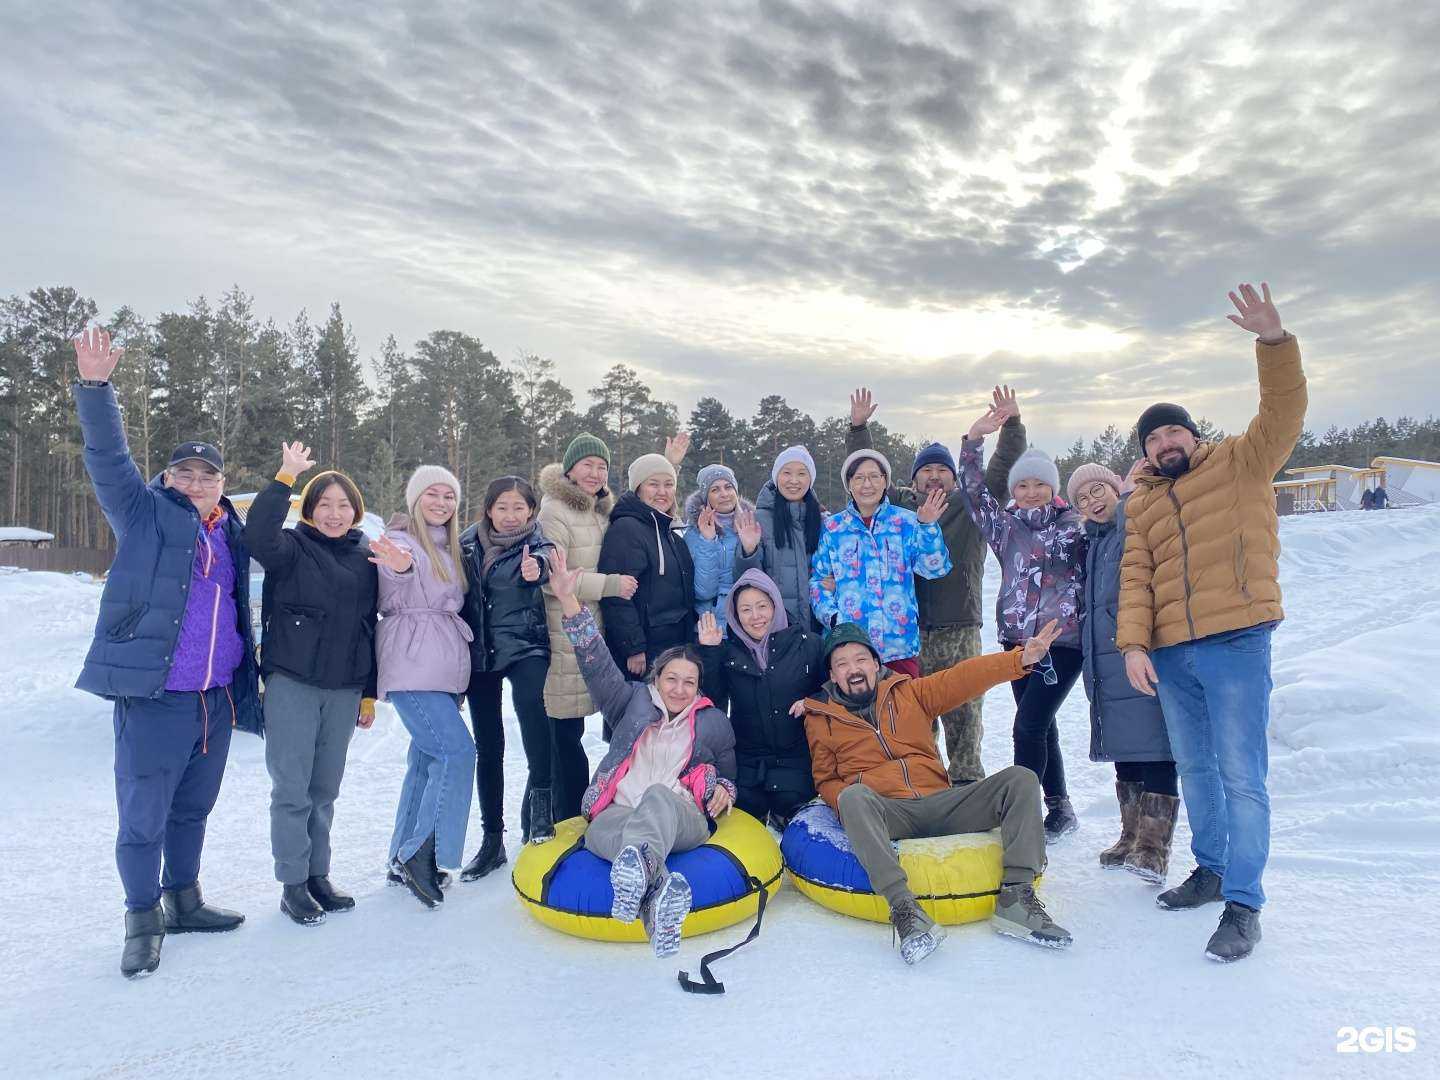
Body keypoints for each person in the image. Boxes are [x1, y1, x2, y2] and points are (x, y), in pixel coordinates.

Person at [1118, 282, 1307, 963]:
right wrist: (1134, 644)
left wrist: (1273, 343)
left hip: (1236, 642)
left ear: (1193, 434)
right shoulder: (1142, 504)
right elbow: (1135, 578)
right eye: (1152, 436)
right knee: (1197, 769)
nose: (1164, 441)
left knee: (1241, 774)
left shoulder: (1240, 462)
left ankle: (1245, 903)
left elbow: (1283, 411)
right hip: (1173, 655)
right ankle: (1212, 869)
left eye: (1173, 429)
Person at [70, 327, 260, 979]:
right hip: (155, 699)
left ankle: (184, 900)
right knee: (142, 817)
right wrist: (95, 387)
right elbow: (107, 458)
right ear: (168, 478)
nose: (197, 481)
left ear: (222, 483)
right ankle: (142, 919)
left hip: (215, 701)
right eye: (185, 472)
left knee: (192, 810)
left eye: (208, 474)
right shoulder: (143, 513)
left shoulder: (229, 531)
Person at [802, 620, 1068, 965]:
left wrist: (1019, 660)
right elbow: (826, 780)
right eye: (842, 664)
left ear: (876, 664)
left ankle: (1016, 897)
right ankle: (905, 910)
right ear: (833, 676)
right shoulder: (820, 718)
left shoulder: (909, 692)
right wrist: (853, 810)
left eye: (861, 659)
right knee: (851, 796)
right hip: (889, 812)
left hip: (941, 802)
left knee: (1020, 779)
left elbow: (963, 677)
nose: (853, 669)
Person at [548, 547, 738, 958]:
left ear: (699, 687)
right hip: (617, 814)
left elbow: (728, 774)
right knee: (615, 836)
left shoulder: (712, 723)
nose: (679, 689)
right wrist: (568, 599)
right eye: (672, 679)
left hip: (682, 817)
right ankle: (657, 904)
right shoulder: (629, 702)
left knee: (657, 795)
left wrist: (725, 787)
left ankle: (639, 874)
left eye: (689, 682)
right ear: (657, 678)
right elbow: (596, 662)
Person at [846, 385, 1027, 783]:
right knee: (913, 716)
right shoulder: (899, 510)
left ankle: (966, 783)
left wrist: (1011, 423)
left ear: (953, 475)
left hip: (959, 628)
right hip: (907, 634)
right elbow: (867, 476)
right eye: (925, 470)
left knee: (965, 714)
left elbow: (1002, 469)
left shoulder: (971, 506)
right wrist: (858, 429)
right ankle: (925, 784)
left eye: (941, 469)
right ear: (914, 478)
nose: (933, 476)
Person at [243, 441, 378, 926]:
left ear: (355, 510)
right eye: (324, 504)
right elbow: (256, 535)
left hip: (343, 688)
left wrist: (368, 691)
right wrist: (285, 478)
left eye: (343, 505)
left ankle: (318, 875)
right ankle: (293, 883)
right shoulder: (290, 547)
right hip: (293, 683)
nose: (334, 514)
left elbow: (370, 626)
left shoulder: (366, 555)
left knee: (324, 789)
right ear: (309, 509)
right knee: (292, 789)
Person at [957, 393, 1087, 841]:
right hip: (1017, 644)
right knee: (1040, 726)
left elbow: (1114, 528)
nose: (1031, 492)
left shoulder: (1075, 527)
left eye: (1040, 484)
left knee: (1027, 726)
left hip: (1062, 644)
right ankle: (1060, 807)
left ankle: (1023, 813)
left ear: (1054, 487)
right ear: (1013, 491)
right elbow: (973, 492)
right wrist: (973, 441)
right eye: (1023, 486)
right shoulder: (1005, 528)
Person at [1068, 460, 1178, 881]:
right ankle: (1131, 836)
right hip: (1106, 661)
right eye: (1082, 498)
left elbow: (1141, 530)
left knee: (1154, 747)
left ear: (1116, 488)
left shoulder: (1131, 524)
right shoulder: (1095, 541)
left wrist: (1132, 497)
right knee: (1124, 750)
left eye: (1098, 490)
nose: (1092, 502)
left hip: (1138, 653)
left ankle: (1154, 848)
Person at [373, 465, 475, 909]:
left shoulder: (450, 548)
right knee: (457, 752)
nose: (441, 503)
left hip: (442, 665)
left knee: (426, 758)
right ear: (415, 499)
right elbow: (396, 574)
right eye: (432, 494)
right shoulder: (401, 541)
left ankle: (401, 854)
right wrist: (399, 567)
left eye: (449, 496)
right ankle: (423, 851)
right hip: (413, 663)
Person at [458, 476, 556, 879]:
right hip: (481, 650)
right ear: (488, 510)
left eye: (519, 507)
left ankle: (541, 811)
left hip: (526, 645)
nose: (511, 515)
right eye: (503, 507)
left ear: (531, 511)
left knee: (533, 708)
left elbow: (548, 559)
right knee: (489, 744)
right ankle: (492, 838)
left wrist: (539, 568)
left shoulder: (536, 542)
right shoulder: (467, 544)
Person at [537, 435, 639, 821]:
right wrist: (611, 585)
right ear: (570, 469)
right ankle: (561, 820)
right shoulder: (555, 511)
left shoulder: (599, 509)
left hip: (593, 628)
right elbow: (553, 580)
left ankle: (565, 815)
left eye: (602, 467)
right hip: (563, 631)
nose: (595, 473)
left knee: (572, 734)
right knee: (563, 737)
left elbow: (648, 494)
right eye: (587, 465)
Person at [698, 568, 824, 828]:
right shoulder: (729, 653)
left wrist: (812, 702)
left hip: (796, 760)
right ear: (735, 615)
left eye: (762, 606)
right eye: (745, 609)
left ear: (775, 605)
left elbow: (831, 691)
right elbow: (713, 702)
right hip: (748, 764)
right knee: (743, 818)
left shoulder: (808, 645)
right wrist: (710, 653)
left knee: (794, 812)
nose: (755, 616)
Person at [809, 448, 951, 677]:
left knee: (904, 700)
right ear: (849, 484)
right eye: (859, 478)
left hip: (899, 646)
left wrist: (927, 527)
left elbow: (934, 568)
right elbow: (817, 582)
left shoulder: (907, 522)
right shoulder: (833, 528)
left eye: (875, 476)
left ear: (885, 481)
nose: (867, 484)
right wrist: (834, 618)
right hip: (852, 647)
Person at [598, 451, 697, 693]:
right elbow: (616, 594)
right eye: (653, 484)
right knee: (639, 710)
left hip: (672, 645)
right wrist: (633, 647)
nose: (662, 491)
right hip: (643, 652)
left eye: (668, 484)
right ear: (638, 488)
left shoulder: (668, 532)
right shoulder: (626, 529)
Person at [734, 445, 824, 630]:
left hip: (817, 626)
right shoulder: (758, 520)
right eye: (787, 473)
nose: (793, 480)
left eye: (801, 473)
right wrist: (749, 551)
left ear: (810, 479)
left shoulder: (822, 521)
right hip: (775, 628)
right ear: (776, 477)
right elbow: (745, 583)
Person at [684, 462, 753, 623]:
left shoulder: (752, 524)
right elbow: (704, 592)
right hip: (711, 621)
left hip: (747, 619)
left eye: (728, 487)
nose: (724, 494)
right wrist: (707, 541)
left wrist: (750, 549)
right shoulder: (693, 533)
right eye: (715, 490)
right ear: (705, 497)